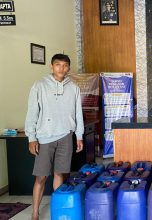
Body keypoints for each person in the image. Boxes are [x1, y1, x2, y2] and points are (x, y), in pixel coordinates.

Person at [25, 54, 84, 220]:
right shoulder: (40, 85)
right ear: (51, 66)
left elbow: (78, 114)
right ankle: (35, 213)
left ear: (69, 68)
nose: (61, 68)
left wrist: (78, 136)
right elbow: (32, 113)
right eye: (58, 65)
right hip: (45, 137)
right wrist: (32, 137)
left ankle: (56, 211)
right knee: (41, 177)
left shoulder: (74, 88)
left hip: (66, 136)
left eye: (65, 65)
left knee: (60, 174)